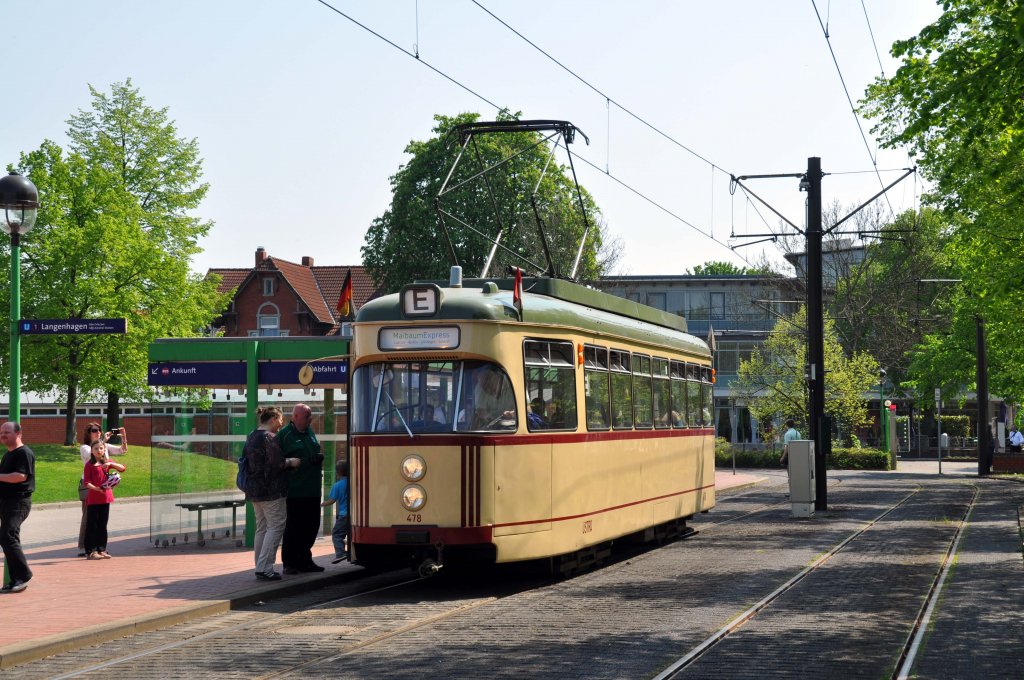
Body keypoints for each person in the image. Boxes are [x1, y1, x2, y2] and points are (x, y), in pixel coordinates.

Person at [243, 406, 296, 581]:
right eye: (280, 420)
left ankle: (259, 565)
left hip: (254, 490)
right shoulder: (269, 437)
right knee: (276, 526)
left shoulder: (251, 436)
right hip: (271, 490)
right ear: (273, 419)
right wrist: (291, 462)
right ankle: (265, 567)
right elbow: (276, 464)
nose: (281, 424)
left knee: (262, 527)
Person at [278, 403, 325, 574]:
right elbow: (277, 462)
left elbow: (314, 449)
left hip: (312, 489)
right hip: (295, 491)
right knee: (293, 527)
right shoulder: (284, 435)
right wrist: (292, 464)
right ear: (296, 417)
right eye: (307, 416)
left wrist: (318, 457)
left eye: (310, 416)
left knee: (311, 526)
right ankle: (289, 563)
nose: (310, 419)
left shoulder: (310, 432)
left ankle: (305, 560)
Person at [77, 423, 127, 557]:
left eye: (99, 430)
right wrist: (102, 442)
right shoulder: (85, 448)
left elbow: (122, 452)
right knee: (89, 519)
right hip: (90, 488)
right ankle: (87, 549)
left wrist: (124, 437)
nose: (98, 432)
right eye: (94, 430)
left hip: (103, 491)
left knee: (102, 523)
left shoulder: (104, 454)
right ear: (88, 433)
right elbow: (91, 454)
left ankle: (100, 548)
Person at [0, 422, 35, 593]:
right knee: (7, 537)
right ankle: (15, 579)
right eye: (1, 432)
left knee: (7, 535)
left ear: (18, 433)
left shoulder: (24, 453)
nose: (3, 435)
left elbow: (20, 476)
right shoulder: (7, 455)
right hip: (6, 502)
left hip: (18, 502)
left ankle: (24, 575)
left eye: (7, 432)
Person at [321, 460, 349, 564]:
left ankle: (340, 553)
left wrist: (322, 504)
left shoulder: (337, 485)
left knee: (336, 534)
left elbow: (332, 501)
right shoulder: (354, 482)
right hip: (353, 515)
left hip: (343, 515)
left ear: (338, 472)